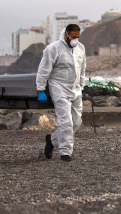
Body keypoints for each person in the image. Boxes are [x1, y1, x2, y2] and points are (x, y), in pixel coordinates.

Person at [36, 24, 86, 162]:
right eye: (74, 37)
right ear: (66, 35)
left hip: (75, 90)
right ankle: (65, 152)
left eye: (78, 37)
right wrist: (41, 89)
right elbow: (44, 69)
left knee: (77, 122)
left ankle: (51, 141)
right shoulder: (53, 48)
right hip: (59, 88)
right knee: (66, 122)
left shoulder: (80, 48)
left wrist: (82, 86)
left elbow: (82, 69)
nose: (76, 40)